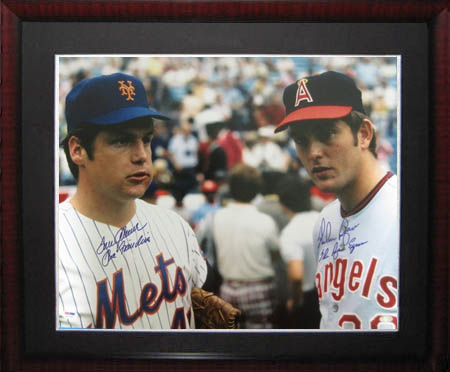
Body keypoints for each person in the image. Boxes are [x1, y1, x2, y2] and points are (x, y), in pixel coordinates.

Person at [58, 72, 208, 329]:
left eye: (146, 139)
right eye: (122, 140)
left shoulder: (176, 226)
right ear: (78, 150)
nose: (141, 155)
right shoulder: (48, 248)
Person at [275, 71, 399, 330]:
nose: (313, 152)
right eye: (301, 140)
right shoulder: (325, 221)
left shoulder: (408, 210)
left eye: (327, 132)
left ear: (364, 134)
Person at [212, 164, 279, 328]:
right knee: (261, 345)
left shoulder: (218, 217)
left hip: (228, 288)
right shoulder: (265, 221)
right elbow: (275, 255)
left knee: (230, 347)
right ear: (257, 190)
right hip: (259, 289)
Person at [278, 175, 321, 329]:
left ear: (282, 203)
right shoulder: (323, 219)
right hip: (332, 290)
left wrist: (295, 302)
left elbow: (296, 276)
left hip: (309, 299)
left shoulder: (290, 233)